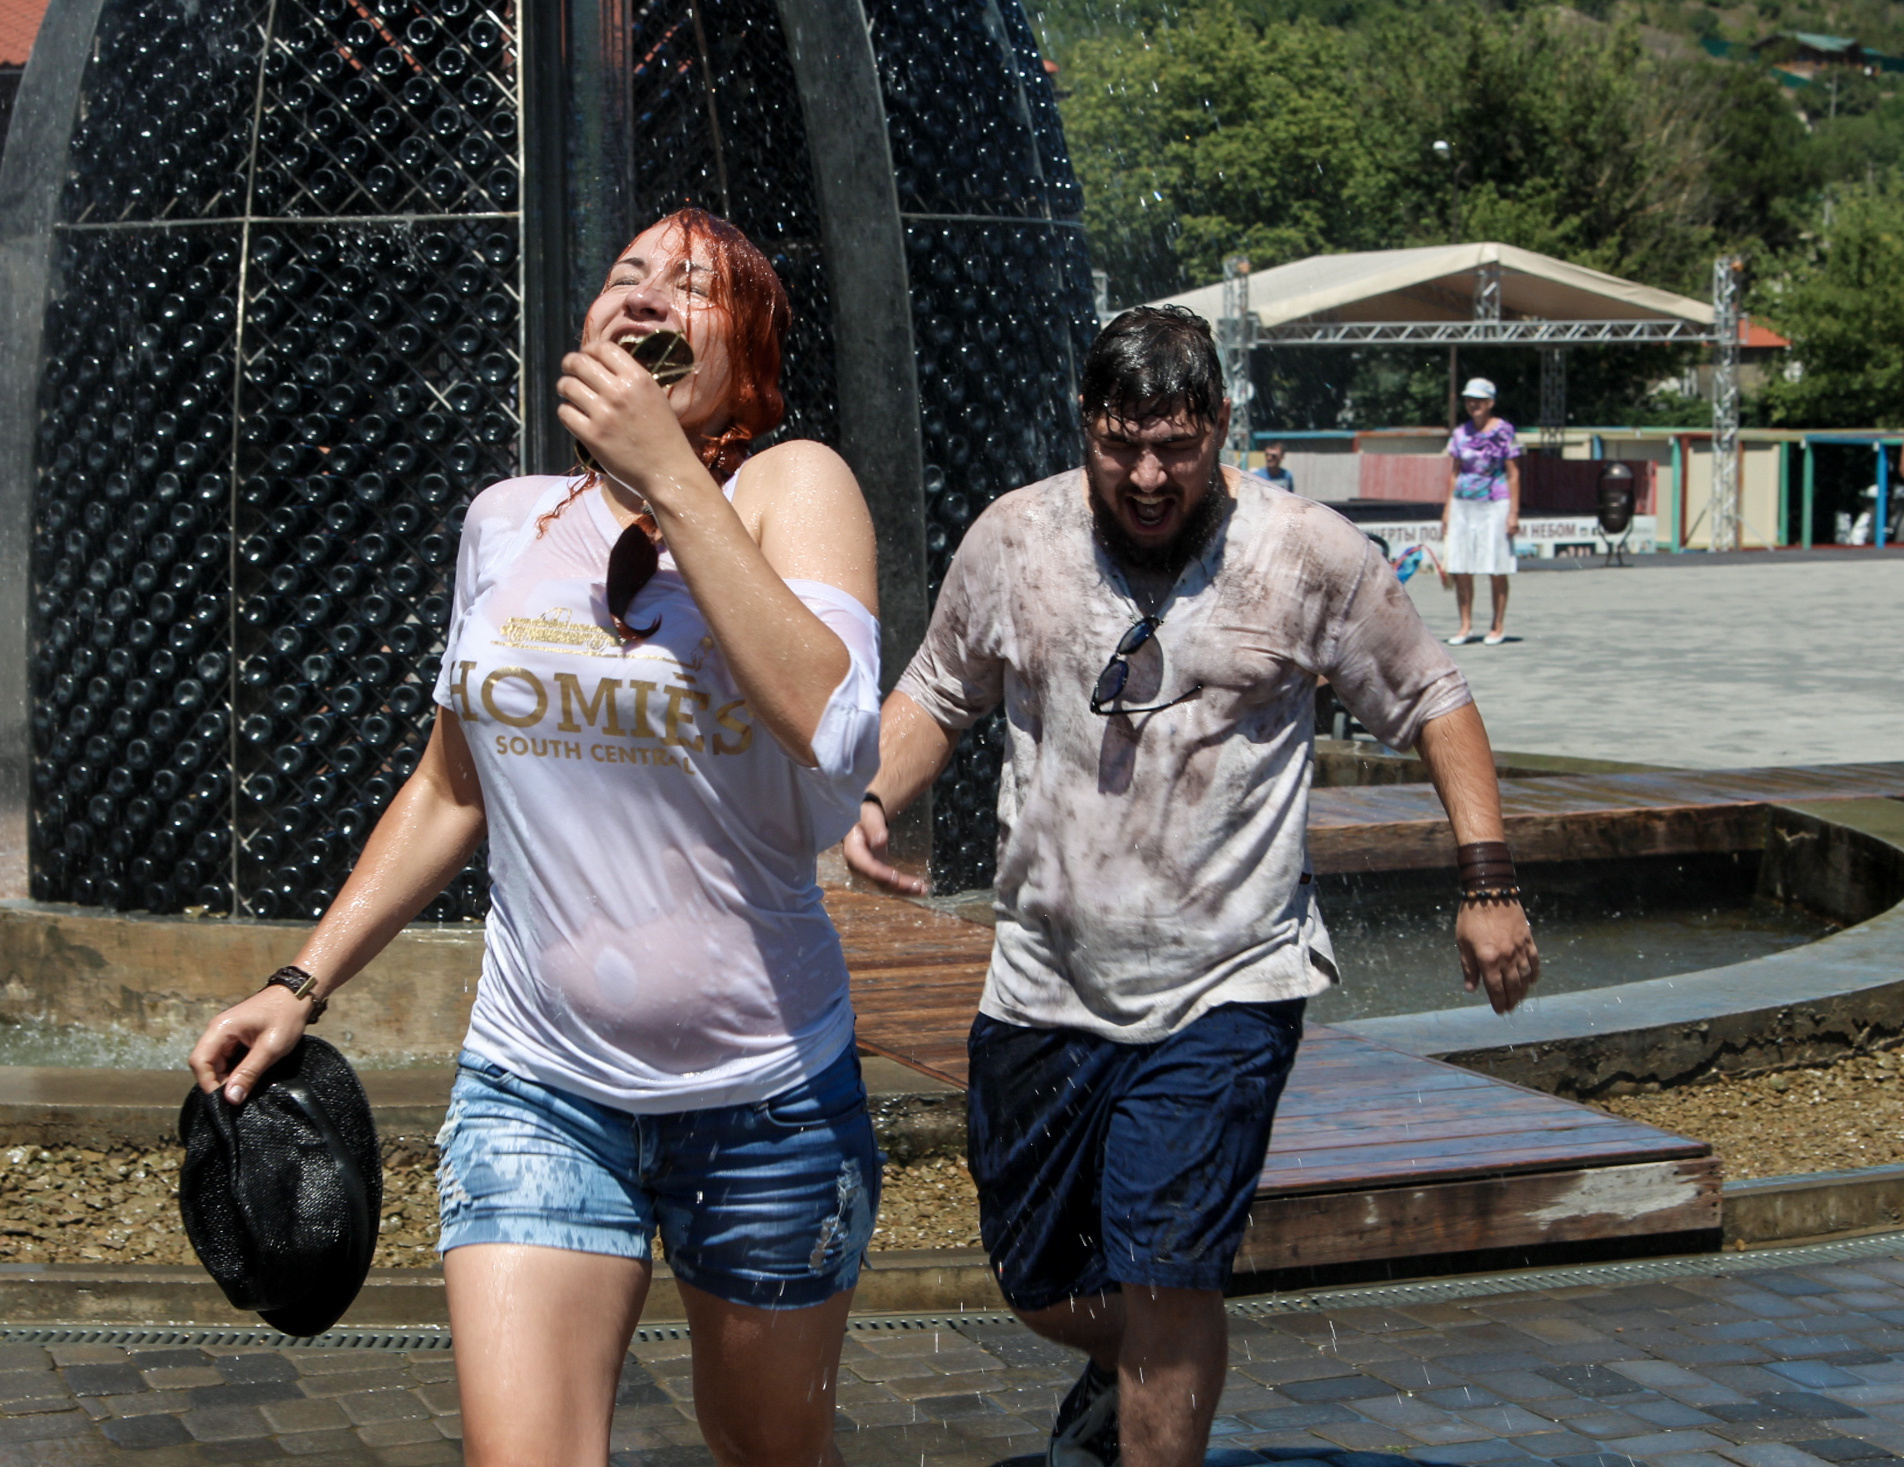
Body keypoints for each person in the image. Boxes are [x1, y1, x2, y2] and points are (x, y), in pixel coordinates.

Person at [190, 208, 883, 1467]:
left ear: (749, 353)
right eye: (627, 275)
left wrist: (673, 479)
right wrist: (301, 980)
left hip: (765, 1098)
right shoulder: (509, 521)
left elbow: (832, 730)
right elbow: (449, 788)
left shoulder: (790, 488)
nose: (648, 295)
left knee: (770, 1451)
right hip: (536, 1084)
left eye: (693, 285)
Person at [843, 306, 1539, 1467]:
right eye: (1121, 447)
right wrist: (871, 797)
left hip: (1230, 978)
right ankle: (1138, 1372)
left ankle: (1160, 1384)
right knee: (1034, 1280)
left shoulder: (1306, 553)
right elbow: (938, 690)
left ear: (1220, 423)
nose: (1149, 477)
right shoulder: (1015, 539)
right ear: (1084, 425)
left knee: (1167, 1273)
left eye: (1176, 446)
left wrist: (1487, 881)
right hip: (1042, 980)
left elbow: (1434, 699)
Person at [1438, 377, 1520, 645]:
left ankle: (1497, 626)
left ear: (1490, 402)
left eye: (1479, 400)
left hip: (1495, 503)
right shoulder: (1460, 433)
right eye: (1469, 400)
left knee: (1496, 566)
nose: (1473, 404)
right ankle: (1465, 626)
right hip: (1463, 504)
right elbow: (1454, 472)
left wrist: (1513, 513)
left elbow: (1513, 473)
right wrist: (1448, 509)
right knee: (1461, 566)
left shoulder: (1504, 431)